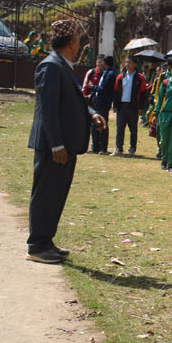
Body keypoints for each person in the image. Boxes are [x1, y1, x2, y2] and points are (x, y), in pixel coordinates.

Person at [26, 18, 105, 263]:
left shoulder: (63, 66)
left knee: (56, 195)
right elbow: (47, 110)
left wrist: (91, 114)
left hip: (64, 145)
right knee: (45, 195)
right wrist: (56, 144)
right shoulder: (50, 66)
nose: (80, 43)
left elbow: (71, 102)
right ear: (71, 42)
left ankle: (46, 241)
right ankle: (37, 246)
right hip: (54, 147)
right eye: (78, 39)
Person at [112, 55, 150, 155]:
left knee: (133, 129)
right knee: (120, 128)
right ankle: (118, 148)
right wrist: (115, 105)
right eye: (126, 62)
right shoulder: (120, 77)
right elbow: (116, 91)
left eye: (129, 62)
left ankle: (132, 148)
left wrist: (141, 107)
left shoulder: (140, 77)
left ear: (135, 64)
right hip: (122, 106)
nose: (127, 64)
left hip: (133, 106)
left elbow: (143, 93)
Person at [85, 55, 116, 155]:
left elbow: (103, 89)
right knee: (95, 124)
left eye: (102, 62)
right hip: (97, 102)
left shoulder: (110, 74)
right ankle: (95, 146)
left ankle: (103, 148)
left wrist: (92, 87)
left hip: (103, 103)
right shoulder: (104, 73)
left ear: (105, 63)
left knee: (102, 124)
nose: (100, 63)